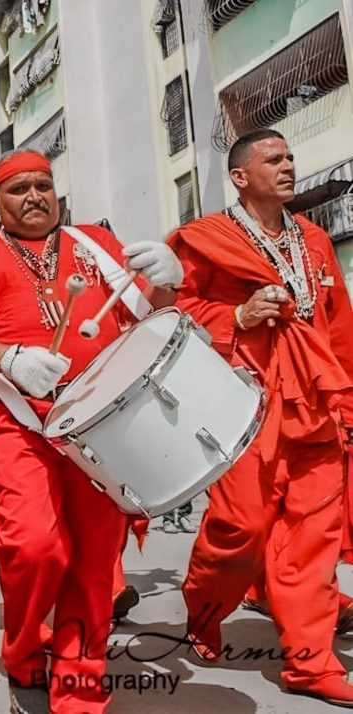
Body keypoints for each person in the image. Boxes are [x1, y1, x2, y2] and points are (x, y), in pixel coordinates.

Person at [0, 149, 181, 713]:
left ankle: (79, 681)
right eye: (18, 189)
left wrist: (170, 280)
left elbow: (150, 313)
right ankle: (23, 655)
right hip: (20, 425)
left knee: (95, 559)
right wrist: (10, 358)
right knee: (35, 546)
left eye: (43, 184)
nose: (35, 196)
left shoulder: (95, 244)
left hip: (101, 426)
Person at [170, 129, 353, 706]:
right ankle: (203, 603)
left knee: (311, 542)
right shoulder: (204, 240)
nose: (289, 165)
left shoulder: (316, 241)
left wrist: (346, 405)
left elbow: (339, 327)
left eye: (291, 156)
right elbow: (169, 314)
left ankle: (310, 663)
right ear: (241, 176)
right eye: (273, 159)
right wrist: (237, 315)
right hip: (243, 410)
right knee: (240, 529)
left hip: (316, 412)